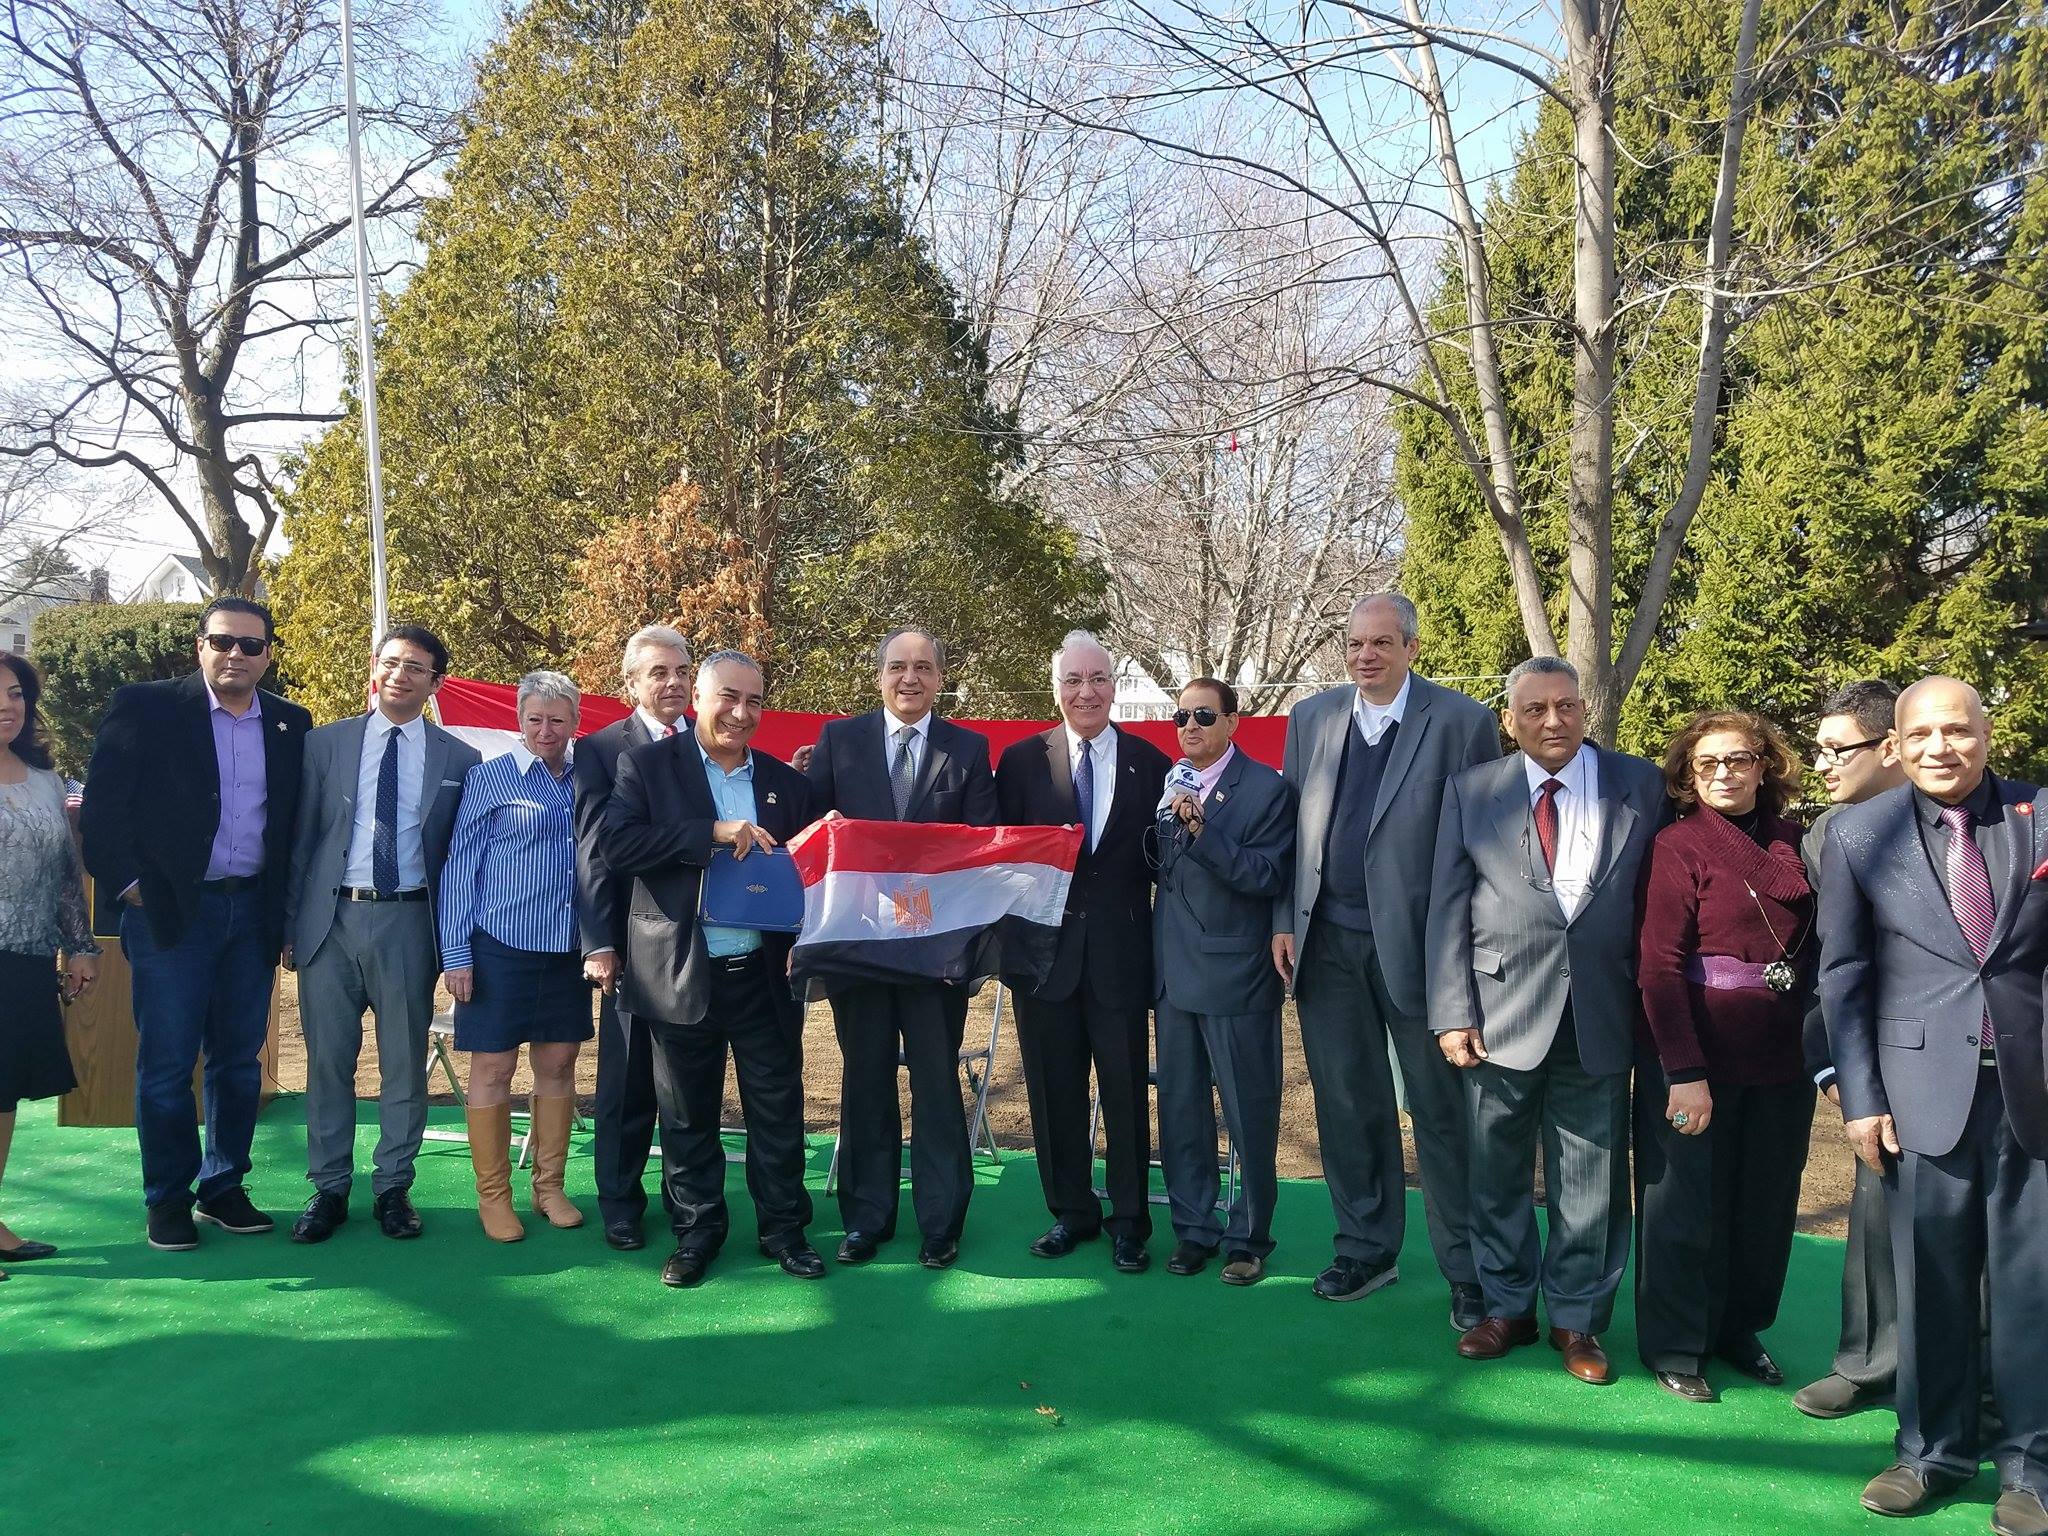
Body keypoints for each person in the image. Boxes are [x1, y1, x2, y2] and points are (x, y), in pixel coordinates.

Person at [1819, 676, 2048, 1533]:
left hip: (2033, 1091)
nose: (1939, 748)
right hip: (1919, 1097)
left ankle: (2031, 1466)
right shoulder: (1858, 834)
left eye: (1957, 730)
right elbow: (1843, 976)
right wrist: (1860, 1098)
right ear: (1895, 745)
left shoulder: (2041, 816)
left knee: (2033, 1287)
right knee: (1931, 1285)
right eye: (1920, 735)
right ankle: (1930, 1454)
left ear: (1987, 733)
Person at [1425, 655, 1664, 1384]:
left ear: (1585, 709)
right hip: (1497, 1014)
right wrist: (1452, 1012)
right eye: (1535, 709)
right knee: (1495, 1170)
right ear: (1510, 720)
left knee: (1591, 1176)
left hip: (1601, 1010)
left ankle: (1577, 1320)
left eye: (1566, 706)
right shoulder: (1472, 791)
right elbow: (1446, 907)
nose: (1553, 721)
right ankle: (1506, 1309)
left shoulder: (1640, 783)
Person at [1272, 591, 1500, 1319]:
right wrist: (1284, 920)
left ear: (1411, 648)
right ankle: (1365, 1250)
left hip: (1425, 954)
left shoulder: (1461, 721)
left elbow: (1485, 847)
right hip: (1325, 946)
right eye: (1354, 644)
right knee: (1347, 1104)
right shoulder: (1311, 718)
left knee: (1441, 1111)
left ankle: (1469, 1270)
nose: (1365, 655)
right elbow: (1290, 832)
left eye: (1381, 643)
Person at [80, 597, 311, 1252]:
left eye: (251, 645)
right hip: (172, 914)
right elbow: (102, 811)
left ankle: (223, 1186)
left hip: (252, 912)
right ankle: (167, 1198)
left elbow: (292, 825)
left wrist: (286, 914)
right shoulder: (144, 707)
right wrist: (133, 889)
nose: (236, 654)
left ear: (268, 655)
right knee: (167, 1063)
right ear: (200, 646)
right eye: (223, 641)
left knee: (238, 1062)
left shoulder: (291, 724)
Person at [604, 650, 822, 1287]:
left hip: (764, 976)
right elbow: (617, 846)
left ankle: (784, 1231)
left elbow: (807, 872)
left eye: (754, 701)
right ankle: (697, 1233)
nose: (740, 712)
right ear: (697, 699)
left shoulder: (786, 783)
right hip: (679, 971)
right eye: (728, 696)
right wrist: (711, 832)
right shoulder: (646, 766)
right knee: (685, 1117)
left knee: (777, 1111)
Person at [1633, 711, 1814, 1402]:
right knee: (1684, 1207)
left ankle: (1740, 1329)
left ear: (1765, 766)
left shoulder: (1796, 843)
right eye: (1706, 763)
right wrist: (1684, 1072)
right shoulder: (1677, 846)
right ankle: (1677, 1344)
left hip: (1782, 1057)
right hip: (1695, 1058)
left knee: (1765, 1205)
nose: (1723, 774)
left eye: (1738, 759)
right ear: (1688, 774)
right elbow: (1658, 967)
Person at [803, 626, 997, 1269]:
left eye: (922, 667)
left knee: (937, 1083)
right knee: (865, 1078)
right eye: (897, 667)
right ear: (880, 675)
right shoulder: (839, 741)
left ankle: (941, 1222)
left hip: (935, 952)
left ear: (940, 678)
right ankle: (867, 1219)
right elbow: (809, 834)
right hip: (859, 946)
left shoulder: (968, 749)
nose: (908, 678)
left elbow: (979, 847)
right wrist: (823, 825)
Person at [285, 625, 480, 1243]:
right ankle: (329, 1187)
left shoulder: (459, 759)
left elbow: (462, 857)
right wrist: (290, 927)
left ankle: (394, 1186)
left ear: (434, 682)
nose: (400, 675)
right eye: (391, 662)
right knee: (328, 1063)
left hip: (409, 923)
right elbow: (300, 839)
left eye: (416, 667)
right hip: (331, 922)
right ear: (374, 668)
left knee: (403, 1064)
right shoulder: (325, 744)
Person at [996, 631, 1170, 1274]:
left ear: (1114, 687)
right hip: (1042, 960)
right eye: (1073, 680)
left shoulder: (1152, 763)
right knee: (1052, 1093)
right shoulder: (1020, 762)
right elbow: (997, 854)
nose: (1086, 692)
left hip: (1121, 959)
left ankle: (1129, 1222)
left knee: (1125, 1095)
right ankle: (1071, 1212)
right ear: (1055, 690)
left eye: (1097, 679)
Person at [438, 672, 594, 1242]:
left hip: (567, 951)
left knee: (558, 1064)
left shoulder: (589, 780)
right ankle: (493, 1197)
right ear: (519, 720)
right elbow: (460, 866)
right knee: (493, 1069)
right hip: (497, 947)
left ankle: (549, 1188)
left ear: (575, 723)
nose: (545, 730)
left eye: (557, 719)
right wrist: (456, 952)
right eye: (535, 719)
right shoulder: (490, 777)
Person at [1152, 678, 1296, 1286]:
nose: (1190, 726)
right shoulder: (1171, 783)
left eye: (1204, 715)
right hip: (1172, 975)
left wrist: (1202, 832)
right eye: (1181, 716)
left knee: (1248, 1112)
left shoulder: (1267, 789)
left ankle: (1248, 1237)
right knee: (1181, 1111)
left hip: (1236, 975)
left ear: (1233, 722)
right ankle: (1193, 1229)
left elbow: (1265, 875)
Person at [1793, 681, 1908, 1420]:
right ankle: (1868, 1366)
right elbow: (1826, 961)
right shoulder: (1826, 836)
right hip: (1881, 1061)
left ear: (1888, 747)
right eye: (1820, 750)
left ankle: (1987, 1388)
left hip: (1990, 1057)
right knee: (1875, 1221)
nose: (1823, 764)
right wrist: (1834, 1065)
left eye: (1838, 749)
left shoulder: (2002, 820)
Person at [573, 626, 695, 1251]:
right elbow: (595, 852)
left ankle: (686, 1201)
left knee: (684, 1083)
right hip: (629, 944)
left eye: (682, 671)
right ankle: (619, 1203)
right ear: (631, 683)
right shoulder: (599, 749)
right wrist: (600, 942)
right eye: (658, 673)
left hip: (697, 943)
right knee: (625, 1084)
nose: (673, 683)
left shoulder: (708, 742)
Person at [0, 654, 99, 1278]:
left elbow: (65, 876)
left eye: (15, 693)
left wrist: (80, 945)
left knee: (2, 1094)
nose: (6, 706)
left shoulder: (44, 780)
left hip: (25, 960)